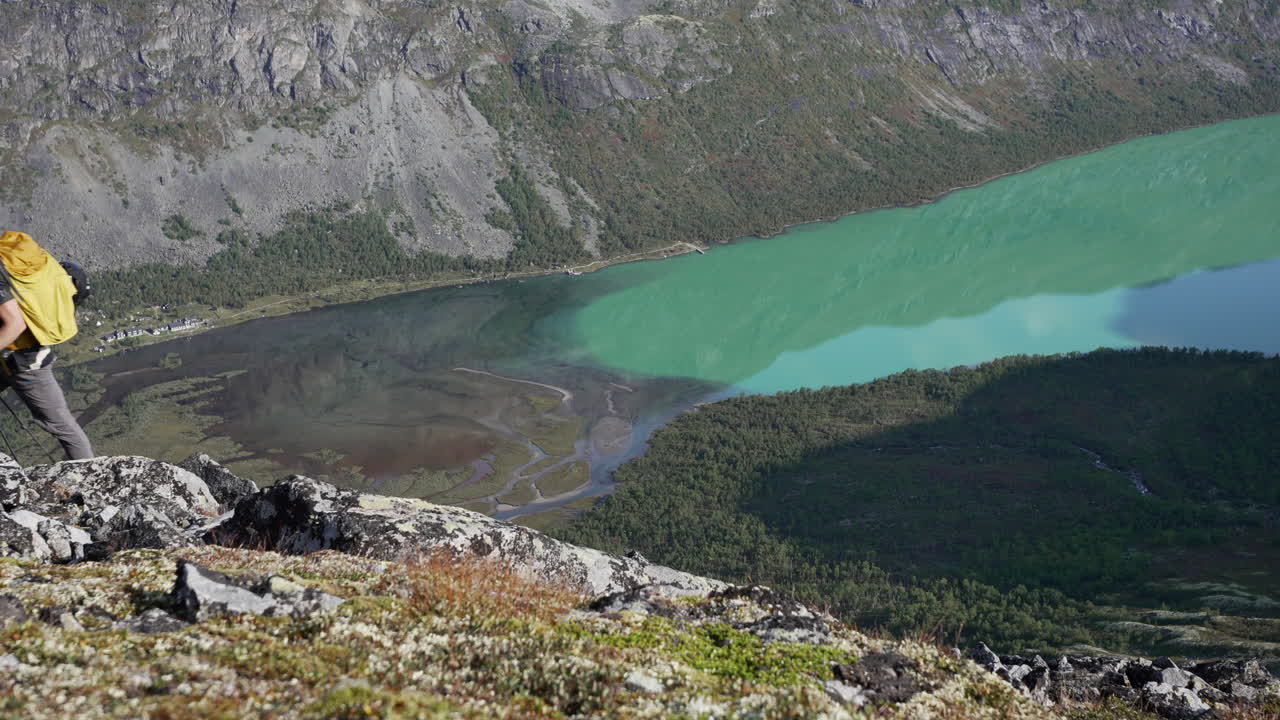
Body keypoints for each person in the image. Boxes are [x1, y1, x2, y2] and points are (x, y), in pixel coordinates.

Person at [0, 232, 94, 461]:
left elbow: (15, 323)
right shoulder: (8, 256)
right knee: (62, 424)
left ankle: (91, 480)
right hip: (18, 354)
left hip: (25, 360)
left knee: (63, 426)